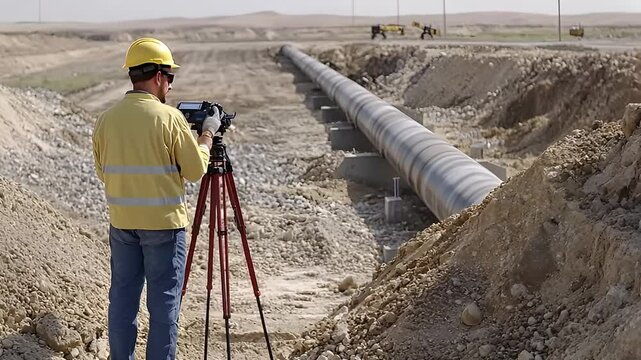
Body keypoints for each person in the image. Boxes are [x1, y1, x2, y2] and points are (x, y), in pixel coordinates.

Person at [92, 37, 221, 360]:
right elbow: (194, 170)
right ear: (159, 77)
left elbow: (103, 172)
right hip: (163, 226)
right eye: (170, 78)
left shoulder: (106, 119)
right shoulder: (169, 118)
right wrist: (207, 134)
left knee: (122, 298)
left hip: (122, 225)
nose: (171, 87)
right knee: (163, 303)